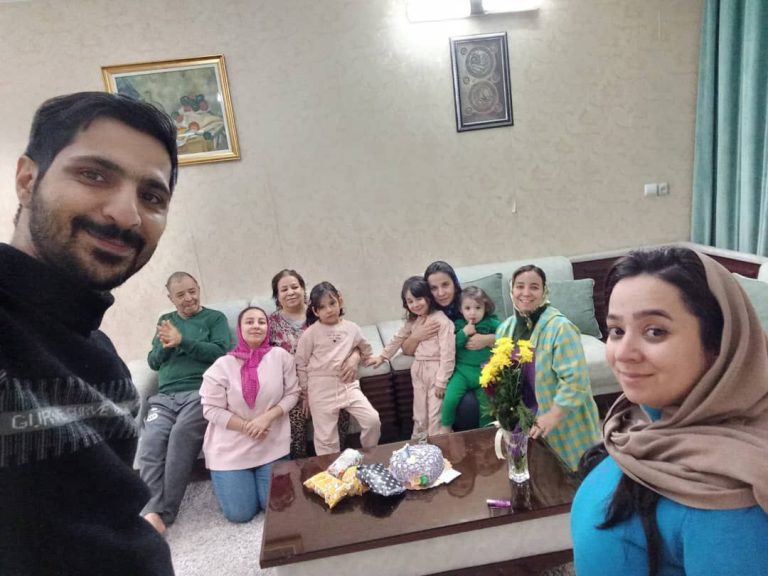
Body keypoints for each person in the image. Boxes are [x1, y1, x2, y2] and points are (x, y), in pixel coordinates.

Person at [0, 92, 178, 575]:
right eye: (94, 175)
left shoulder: (103, 360)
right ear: (27, 179)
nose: (126, 214)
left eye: (152, 196)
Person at [572, 247, 768, 575]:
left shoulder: (731, 499)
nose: (624, 353)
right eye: (617, 331)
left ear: (719, 344)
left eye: (655, 331)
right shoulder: (633, 421)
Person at [138, 271, 232, 534]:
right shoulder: (165, 321)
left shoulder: (214, 318)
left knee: (181, 435)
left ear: (198, 289)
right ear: (171, 298)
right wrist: (165, 345)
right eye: (180, 295)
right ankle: (151, 511)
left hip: (200, 392)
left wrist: (183, 341)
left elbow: (220, 353)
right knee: (151, 441)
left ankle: (165, 514)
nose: (188, 298)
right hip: (164, 398)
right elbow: (153, 362)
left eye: (192, 291)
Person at [495, 265, 600, 471]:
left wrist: (554, 415)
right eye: (520, 286)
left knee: (574, 474)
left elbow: (575, 380)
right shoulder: (505, 329)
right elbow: (503, 377)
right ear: (511, 291)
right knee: (541, 474)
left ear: (544, 291)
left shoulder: (560, 328)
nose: (526, 293)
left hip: (565, 421)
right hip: (527, 423)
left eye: (534, 287)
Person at [200, 307, 299, 522]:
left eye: (261, 322)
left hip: (270, 444)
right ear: (239, 329)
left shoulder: (280, 357)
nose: (256, 326)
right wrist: (246, 426)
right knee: (240, 514)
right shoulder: (222, 366)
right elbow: (210, 409)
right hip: (230, 448)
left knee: (276, 506)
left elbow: (293, 394)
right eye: (249, 322)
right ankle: (231, 481)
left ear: (268, 327)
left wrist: (266, 418)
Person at [268, 269, 357, 458]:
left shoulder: (321, 311)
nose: (290, 292)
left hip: (326, 383)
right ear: (277, 295)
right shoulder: (271, 323)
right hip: (290, 387)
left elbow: (350, 337)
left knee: (338, 411)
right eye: (284, 289)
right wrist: (302, 392)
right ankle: (300, 469)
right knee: (295, 420)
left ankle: (335, 462)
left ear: (303, 289)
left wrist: (354, 358)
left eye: (295, 287)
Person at [401, 261, 496, 429]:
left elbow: (505, 332)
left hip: (477, 369)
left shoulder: (470, 305)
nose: (441, 293)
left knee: (477, 403)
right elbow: (406, 349)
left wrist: (488, 339)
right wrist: (416, 336)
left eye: (445, 285)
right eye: (434, 288)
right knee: (463, 403)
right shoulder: (424, 313)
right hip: (446, 375)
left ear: (455, 284)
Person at [294, 281, 380, 455]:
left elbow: (366, 350)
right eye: (322, 307)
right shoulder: (310, 333)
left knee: (372, 420)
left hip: (347, 384)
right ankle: (331, 469)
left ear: (340, 300)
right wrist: (306, 392)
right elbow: (301, 363)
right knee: (326, 439)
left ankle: (369, 455)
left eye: (332, 303)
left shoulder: (352, 328)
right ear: (315, 311)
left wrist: (360, 357)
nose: (329, 310)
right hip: (320, 388)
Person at [370, 276, 455, 437]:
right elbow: (398, 338)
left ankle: (440, 448)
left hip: (436, 371)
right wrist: (383, 356)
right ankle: (418, 448)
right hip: (418, 371)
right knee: (419, 415)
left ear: (428, 297)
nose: (415, 304)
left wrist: (442, 381)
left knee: (435, 416)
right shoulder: (413, 321)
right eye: (410, 301)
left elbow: (448, 354)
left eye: (419, 299)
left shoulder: (442, 321)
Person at [441, 286, 501, 429]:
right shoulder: (458, 325)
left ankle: (485, 432)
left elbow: (507, 334)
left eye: (478, 308)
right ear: (461, 309)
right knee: (450, 398)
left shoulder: (492, 322)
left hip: (485, 373)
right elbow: (451, 346)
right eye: (467, 308)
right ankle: (446, 427)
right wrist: (463, 333)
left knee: (487, 406)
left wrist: (488, 338)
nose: (472, 313)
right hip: (462, 372)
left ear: (485, 308)